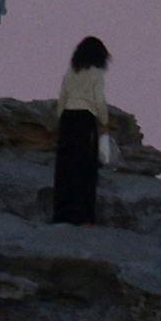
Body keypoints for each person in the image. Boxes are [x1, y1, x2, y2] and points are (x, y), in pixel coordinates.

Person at [53, 35, 111, 225]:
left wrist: (59, 120)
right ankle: (84, 216)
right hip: (85, 119)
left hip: (68, 118)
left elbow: (62, 97)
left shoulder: (71, 72)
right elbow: (99, 100)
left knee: (65, 167)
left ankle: (62, 213)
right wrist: (104, 120)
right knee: (86, 168)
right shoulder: (96, 74)